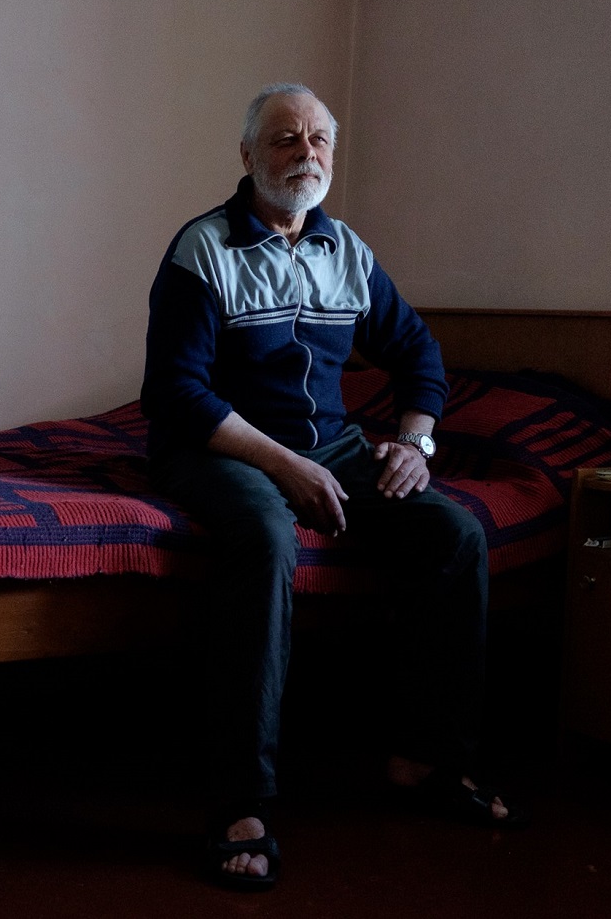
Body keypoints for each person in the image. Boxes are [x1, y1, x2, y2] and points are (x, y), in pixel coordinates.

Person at [140, 83, 526, 892]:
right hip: (223, 449)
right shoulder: (203, 249)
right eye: (284, 139)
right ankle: (241, 802)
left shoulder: (346, 250)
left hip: (338, 447)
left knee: (454, 534)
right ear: (247, 156)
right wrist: (285, 466)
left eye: (319, 139)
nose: (305, 154)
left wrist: (416, 444)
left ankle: (427, 761)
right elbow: (177, 394)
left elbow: (420, 355)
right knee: (266, 534)